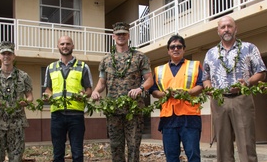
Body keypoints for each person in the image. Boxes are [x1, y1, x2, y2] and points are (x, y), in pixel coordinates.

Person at [202, 15, 266, 162]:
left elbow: (261, 72)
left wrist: (248, 82)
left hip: (242, 99)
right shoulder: (210, 53)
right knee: (223, 146)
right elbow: (205, 78)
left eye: (229, 26)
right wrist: (210, 89)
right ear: (218, 31)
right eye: (223, 27)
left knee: (246, 143)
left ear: (235, 29)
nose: (226, 29)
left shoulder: (249, 48)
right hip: (219, 101)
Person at [91, 21, 153, 162]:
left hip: (134, 110)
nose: (121, 36)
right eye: (118, 34)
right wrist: (96, 91)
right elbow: (102, 82)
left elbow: (149, 80)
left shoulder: (139, 57)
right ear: (113, 36)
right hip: (114, 111)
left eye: (124, 34)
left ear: (128, 35)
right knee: (116, 146)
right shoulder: (106, 60)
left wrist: (140, 88)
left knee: (133, 146)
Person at [149, 35, 203, 162]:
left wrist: (187, 92)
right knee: (171, 156)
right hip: (168, 118)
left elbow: (201, 85)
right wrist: (163, 94)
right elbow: (153, 90)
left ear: (184, 49)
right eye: (172, 47)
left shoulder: (194, 66)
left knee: (193, 155)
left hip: (190, 116)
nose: (175, 49)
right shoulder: (159, 70)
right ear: (168, 50)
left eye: (179, 46)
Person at [43, 35, 93, 162]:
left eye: (68, 44)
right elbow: (48, 89)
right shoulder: (51, 67)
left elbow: (89, 90)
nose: (65, 46)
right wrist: (47, 96)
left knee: (77, 153)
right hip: (57, 115)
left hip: (76, 115)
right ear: (58, 46)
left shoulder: (83, 67)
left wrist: (85, 94)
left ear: (73, 46)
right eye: (62, 44)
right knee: (58, 153)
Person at [0, 41, 33, 162]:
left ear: (13, 56)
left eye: (9, 53)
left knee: (16, 158)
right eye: (3, 53)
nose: (6, 56)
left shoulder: (23, 76)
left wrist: (26, 102)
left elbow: (30, 97)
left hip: (17, 124)